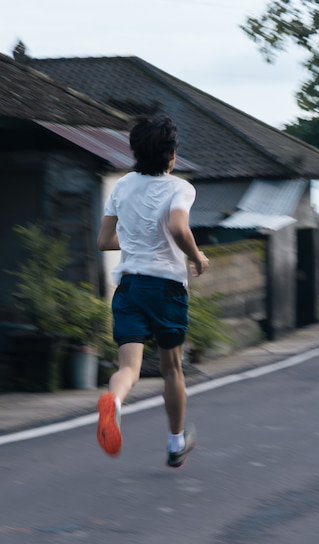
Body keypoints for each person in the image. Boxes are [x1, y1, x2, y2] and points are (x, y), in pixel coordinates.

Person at [96, 114, 209, 468]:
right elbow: (177, 226)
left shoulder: (122, 186)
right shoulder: (179, 187)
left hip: (128, 286)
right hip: (165, 289)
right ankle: (176, 443)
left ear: (135, 153)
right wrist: (198, 255)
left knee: (128, 368)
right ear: (172, 156)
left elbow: (104, 241)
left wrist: (135, 238)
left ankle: (113, 403)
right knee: (171, 368)